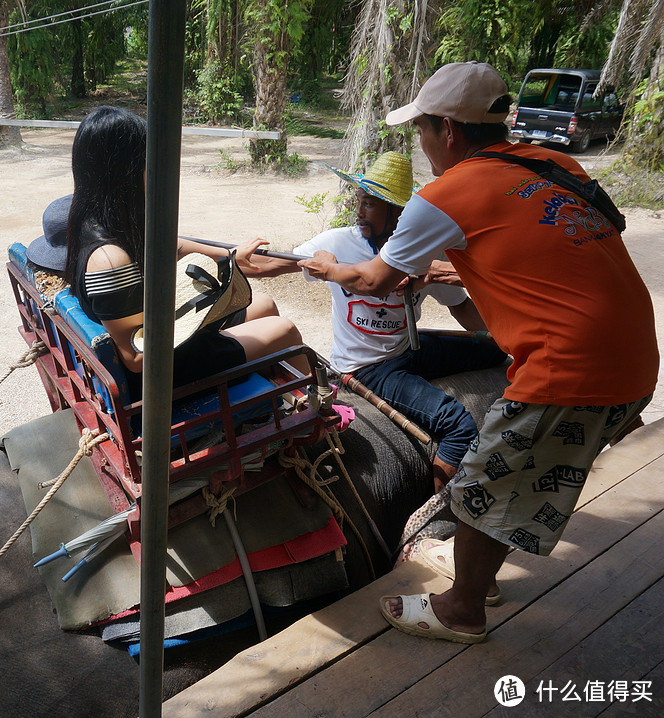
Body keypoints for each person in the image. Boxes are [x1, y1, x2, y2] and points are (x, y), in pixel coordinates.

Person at [301, 61, 657, 644]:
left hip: (568, 366)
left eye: (421, 131)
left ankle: (462, 608)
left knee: (482, 479)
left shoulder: (445, 196)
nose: (420, 144)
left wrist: (330, 269)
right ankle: (480, 573)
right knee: (512, 470)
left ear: (449, 130)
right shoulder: (555, 163)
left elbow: (371, 282)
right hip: (637, 355)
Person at [63, 105, 310, 402]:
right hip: (159, 376)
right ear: (126, 173)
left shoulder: (109, 228)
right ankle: (316, 417)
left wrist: (304, 262)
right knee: (283, 329)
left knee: (265, 305)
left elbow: (224, 255)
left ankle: (274, 400)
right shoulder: (110, 259)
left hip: (165, 347)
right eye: (150, 161)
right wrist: (201, 319)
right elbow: (136, 357)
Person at [294, 152, 507, 494]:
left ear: (399, 213)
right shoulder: (336, 243)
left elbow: (461, 307)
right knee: (458, 427)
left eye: (371, 205)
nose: (360, 212)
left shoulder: (424, 252)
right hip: (368, 367)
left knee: (495, 350)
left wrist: (507, 339)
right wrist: (244, 256)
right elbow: (275, 263)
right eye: (359, 202)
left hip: (408, 347)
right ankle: (433, 511)